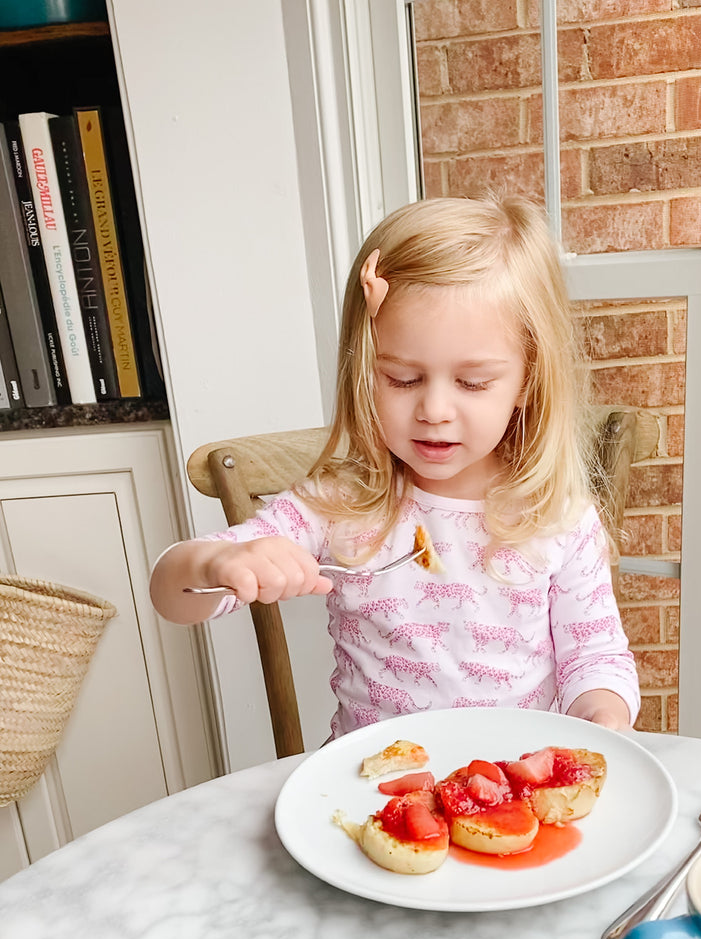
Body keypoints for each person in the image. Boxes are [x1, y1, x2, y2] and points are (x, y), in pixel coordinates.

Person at [150, 194, 640, 737]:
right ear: (365, 371)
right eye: (402, 379)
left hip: (512, 792)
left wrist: (604, 716)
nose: (433, 411)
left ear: (527, 379)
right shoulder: (338, 504)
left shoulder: (558, 516)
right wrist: (220, 565)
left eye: (473, 383)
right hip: (372, 793)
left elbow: (593, 656)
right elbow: (173, 597)